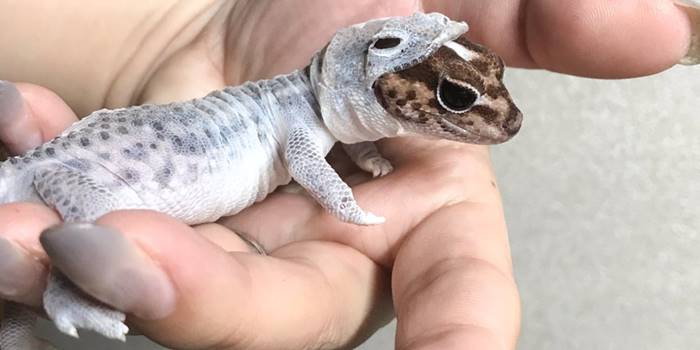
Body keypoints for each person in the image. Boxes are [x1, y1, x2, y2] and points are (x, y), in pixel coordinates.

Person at [0, 1, 695, 349]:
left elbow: (340, 136)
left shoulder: (321, 111)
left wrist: (365, 159)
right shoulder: (302, 123)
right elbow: (307, 163)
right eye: (455, 101)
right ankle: (66, 288)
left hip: (88, 150)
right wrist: (348, 203)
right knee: (80, 229)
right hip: (73, 172)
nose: (496, 121)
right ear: (371, 82)